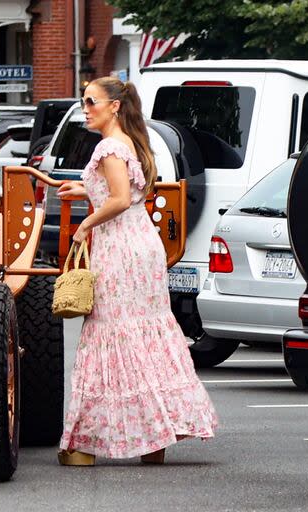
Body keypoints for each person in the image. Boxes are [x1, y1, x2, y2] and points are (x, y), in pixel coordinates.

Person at [56, 77, 218, 466]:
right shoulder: (132, 141)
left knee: (111, 332)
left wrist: (85, 223)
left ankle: (86, 444)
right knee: (144, 332)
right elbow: (130, 193)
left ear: (114, 106)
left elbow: (118, 199)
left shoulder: (109, 146)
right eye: (84, 101)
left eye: (91, 101)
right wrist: (84, 191)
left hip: (119, 248)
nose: (85, 108)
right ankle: (153, 440)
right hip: (141, 245)